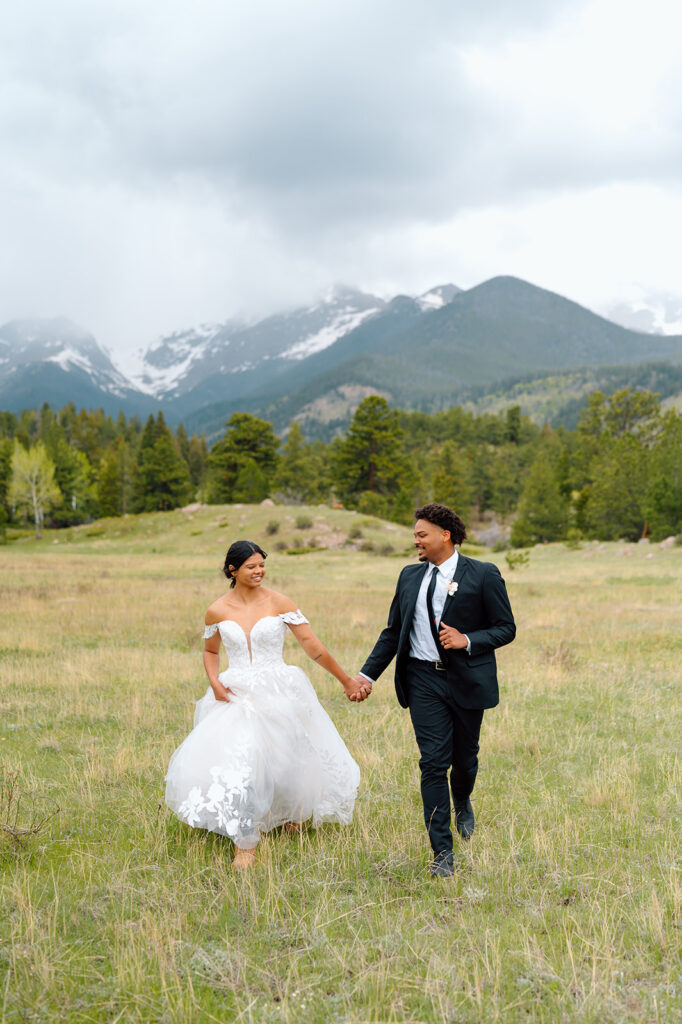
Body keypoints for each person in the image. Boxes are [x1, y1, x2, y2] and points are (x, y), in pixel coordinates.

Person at [165, 540, 362, 870]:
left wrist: (346, 680)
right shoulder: (217, 610)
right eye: (251, 566)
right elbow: (211, 651)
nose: (259, 571)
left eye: (262, 565)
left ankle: (288, 816)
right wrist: (214, 682)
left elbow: (312, 646)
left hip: (280, 687)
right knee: (244, 761)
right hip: (236, 692)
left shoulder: (279, 602)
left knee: (286, 756)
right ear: (233, 570)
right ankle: (246, 842)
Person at [352, 503, 515, 877]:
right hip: (422, 679)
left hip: (466, 679)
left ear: (445, 535)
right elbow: (393, 632)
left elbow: (506, 628)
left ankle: (463, 797)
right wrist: (367, 676)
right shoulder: (409, 576)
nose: (415, 541)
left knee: (465, 758)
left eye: (421, 534)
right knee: (432, 763)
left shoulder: (484, 574)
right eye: (414, 535)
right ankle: (442, 851)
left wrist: (468, 639)